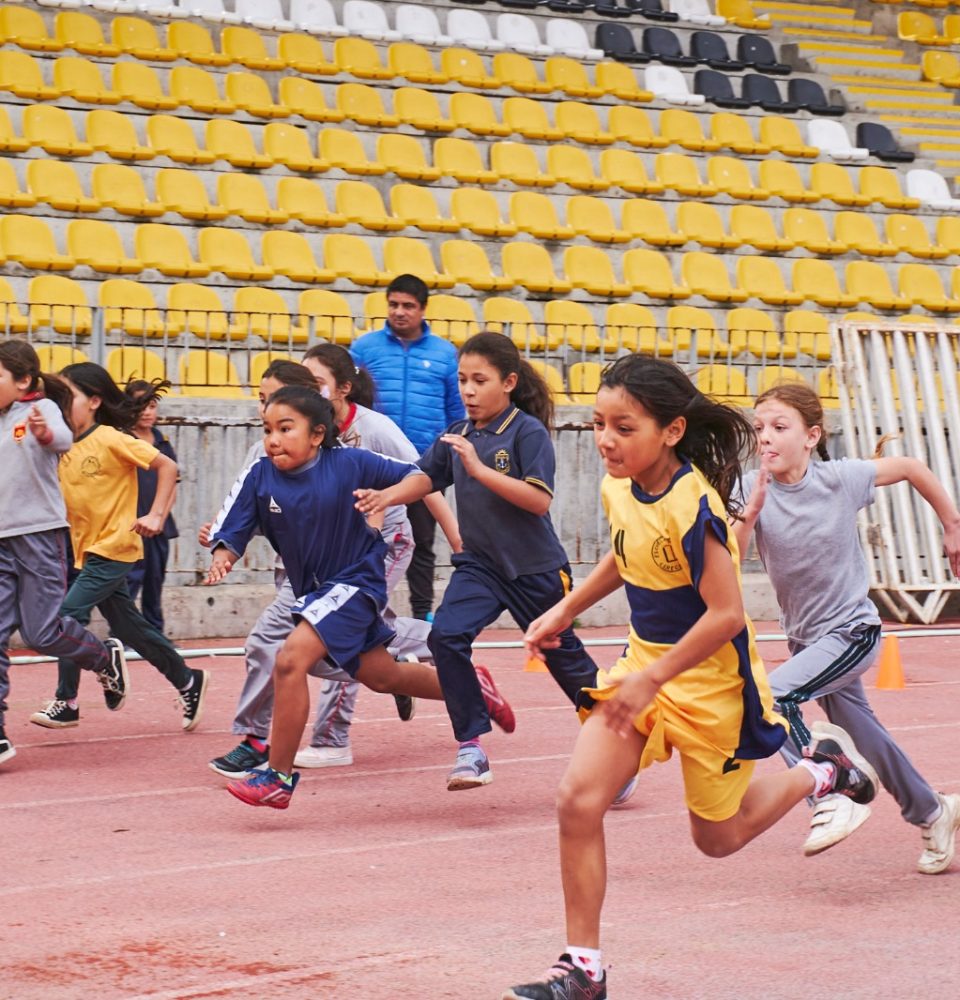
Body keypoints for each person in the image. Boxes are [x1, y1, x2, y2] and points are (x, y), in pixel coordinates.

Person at [502, 356, 879, 1000]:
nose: (606, 440)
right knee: (577, 799)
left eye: (624, 427)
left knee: (718, 838)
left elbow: (727, 613)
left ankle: (821, 771)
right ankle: (583, 968)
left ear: (671, 431)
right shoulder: (617, 485)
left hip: (712, 685)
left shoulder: (695, 503)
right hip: (644, 665)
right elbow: (627, 556)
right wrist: (564, 609)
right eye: (598, 424)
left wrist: (657, 680)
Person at [205, 385, 511, 809]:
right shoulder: (261, 476)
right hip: (317, 593)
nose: (273, 439)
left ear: (316, 434)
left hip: (356, 583)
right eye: (267, 429)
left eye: (285, 428)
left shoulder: (350, 463)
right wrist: (224, 553)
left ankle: (277, 776)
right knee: (383, 676)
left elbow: (416, 474)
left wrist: (383, 500)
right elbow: (234, 524)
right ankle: (471, 686)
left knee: (291, 660)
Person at [355, 333, 599, 792]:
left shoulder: (526, 431)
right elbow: (426, 477)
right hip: (480, 567)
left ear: (507, 382)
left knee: (568, 664)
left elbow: (538, 502)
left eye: (479, 380)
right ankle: (471, 746)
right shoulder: (458, 436)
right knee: (446, 636)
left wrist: (481, 471)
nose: (467, 390)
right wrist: (386, 495)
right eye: (462, 379)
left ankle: (611, 747)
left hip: (535, 569)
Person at [734, 381, 960, 873]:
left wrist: (952, 525)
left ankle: (830, 791)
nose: (765, 438)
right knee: (865, 732)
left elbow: (911, 468)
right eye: (759, 429)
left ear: (811, 436)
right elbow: (732, 554)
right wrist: (748, 516)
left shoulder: (840, 479)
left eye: (779, 427)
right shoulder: (750, 487)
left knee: (768, 698)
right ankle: (934, 810)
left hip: (852, 633)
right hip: (806, 639)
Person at [295, 344, 460, 768]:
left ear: (342, 389)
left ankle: (332, 737)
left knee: (340, 626)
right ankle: (432, 650)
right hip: (339, 549)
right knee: (357, 628)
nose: (306, 392)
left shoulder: (377, 428)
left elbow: (426, 479)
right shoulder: (301, 429)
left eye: (315, 383)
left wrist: (458, 541)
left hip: (387, 541)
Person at [29, 363, 208, 733]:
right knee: (132, 629)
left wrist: (157, 515)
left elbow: (167, 466)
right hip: (82, 550)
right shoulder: (60, 446)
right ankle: (189, 680)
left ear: (94, 401)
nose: (61, 405)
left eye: (69, 397)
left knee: (67, 617)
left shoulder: (110, 438)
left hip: (115, 547)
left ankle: (68, 701)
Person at [0, 342, 127, 764]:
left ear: (23, 382)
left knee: (41, 633)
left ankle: (102, 655)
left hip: (39, 535)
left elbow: (62, 439)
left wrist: (44, 434)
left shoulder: (41, 410)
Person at [350, 274, 464, 621]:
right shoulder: (365, 348)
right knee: (361, 537)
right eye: (394, 305)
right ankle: (357, 603)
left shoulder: (445, 355)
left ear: (423, 309)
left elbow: (457, 412)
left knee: (423, 542)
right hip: (369, 462)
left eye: (408, 306)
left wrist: (450, 456)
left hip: (423, 466)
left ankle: (422, 614)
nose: (399, 312)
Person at [123, 378, 179, 633]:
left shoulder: (162, 440)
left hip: (159, 527)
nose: (147, 412)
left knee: (155, 582)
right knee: (129, 581)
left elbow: (173, 485)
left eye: (152, 405)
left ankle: (155, 634)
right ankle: (123, 633)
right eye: (140, 406)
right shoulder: (123, 440)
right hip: (131, 526)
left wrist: (160, 518)